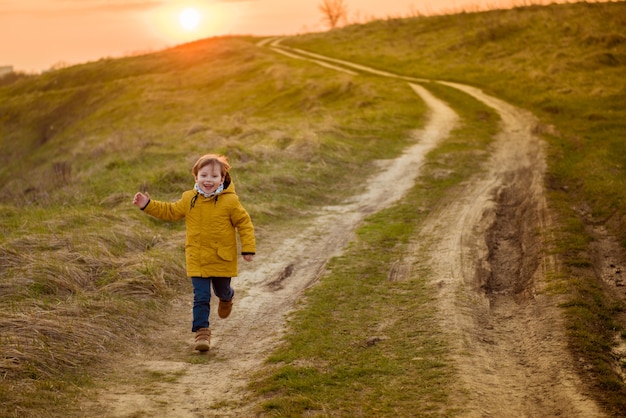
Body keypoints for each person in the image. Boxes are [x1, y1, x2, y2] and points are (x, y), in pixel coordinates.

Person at [133, 153, 255, 351]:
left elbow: (244, 224)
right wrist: (147, 205)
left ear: (222, 179)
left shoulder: (230, 202)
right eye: (204, 175)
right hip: (197, 257)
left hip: (221, 257)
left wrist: (248, 249)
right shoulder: (189, 198)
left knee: (221, 290)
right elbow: (170, 212)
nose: (208, 180)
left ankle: (227, 297)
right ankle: (202, 332)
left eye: (214, 176)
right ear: (196, 177)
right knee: (201, 296)